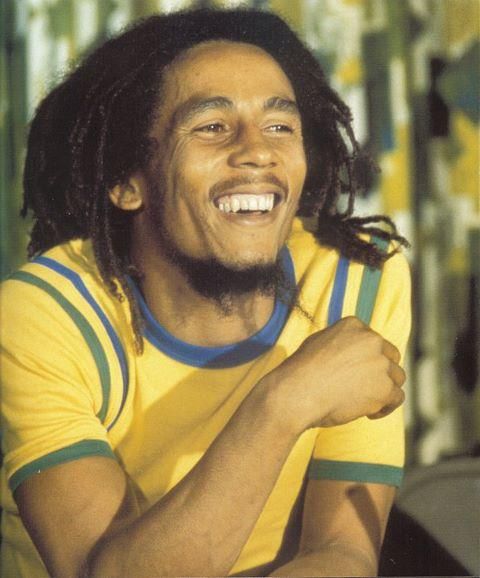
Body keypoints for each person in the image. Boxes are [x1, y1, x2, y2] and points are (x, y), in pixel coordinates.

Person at [0, 8, 411, 578]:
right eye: (212, 127)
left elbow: (341, 554)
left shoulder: (356, 278)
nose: (258, 151)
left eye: (280, 126)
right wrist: (282, 404)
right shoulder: (44, 315)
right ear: (126, 182)